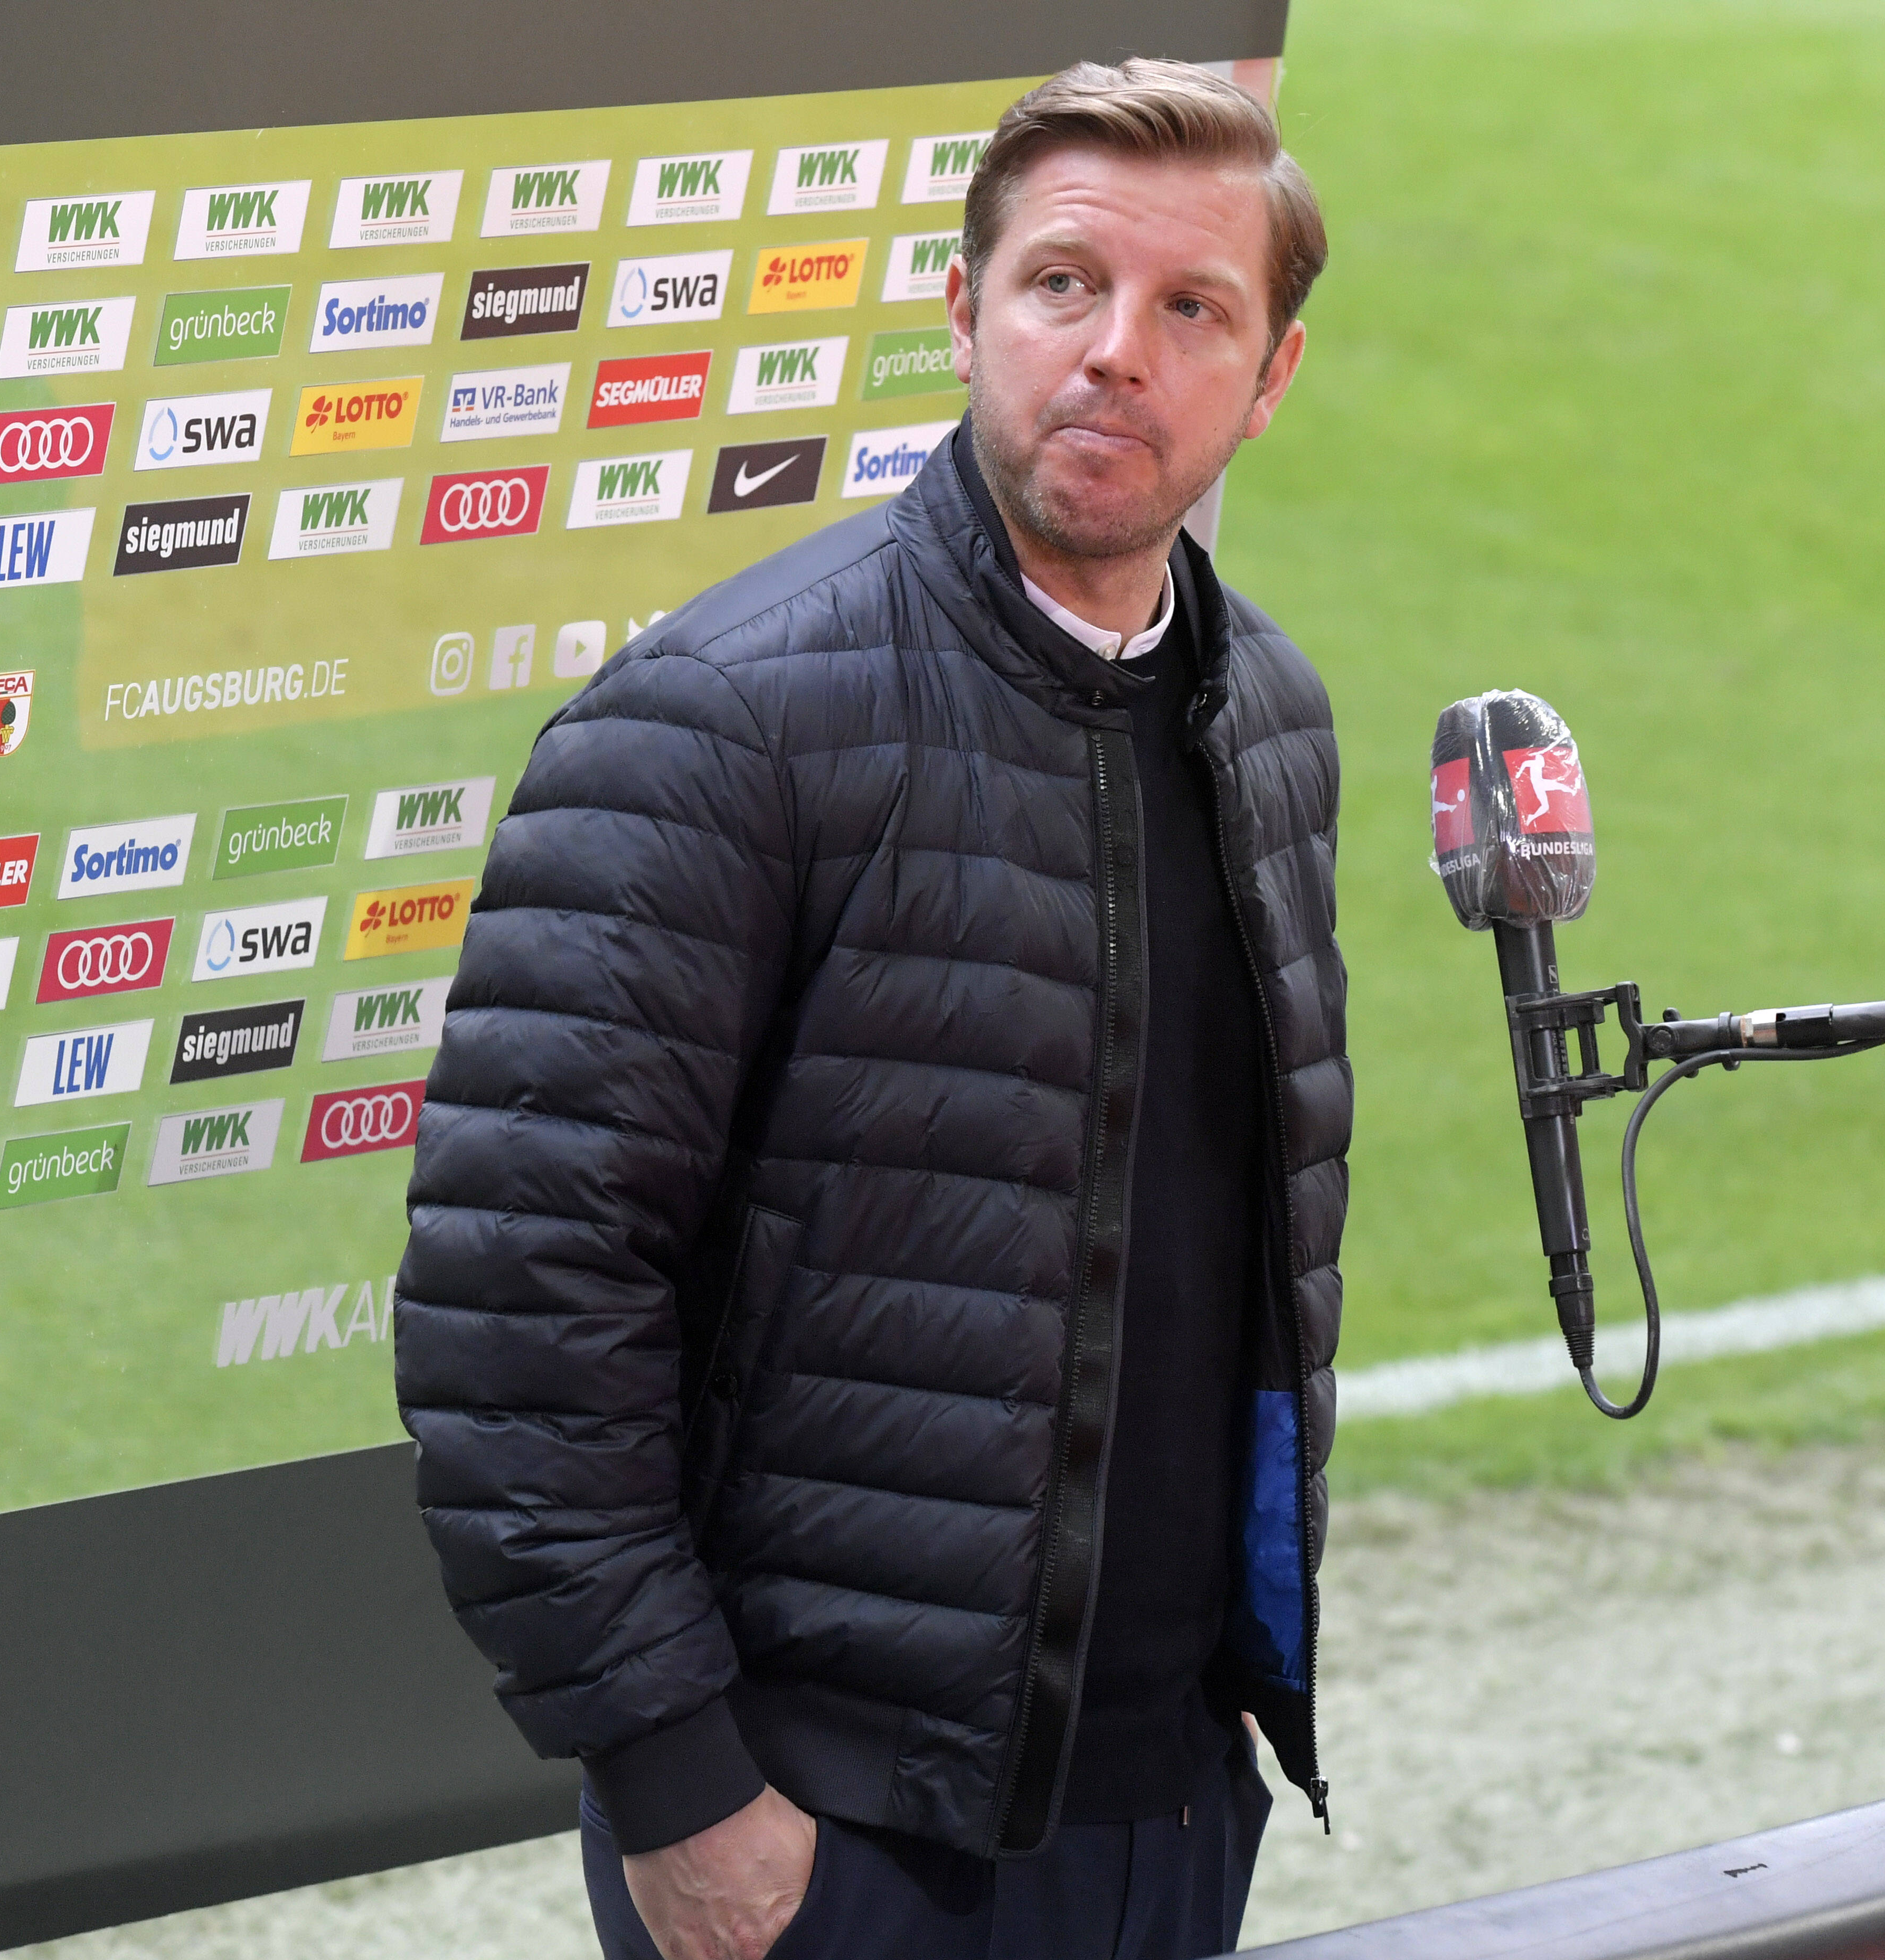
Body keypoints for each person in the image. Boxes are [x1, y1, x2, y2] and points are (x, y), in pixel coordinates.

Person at [395, 56, 1347, 1960]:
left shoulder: (1268, 718)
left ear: (1270, 375)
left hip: (1163, 1791)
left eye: (1191, 311)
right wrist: (678, 1784)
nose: (1114, 357)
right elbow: (521, 1304)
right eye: (1062, 286)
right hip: (825, 1834)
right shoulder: (721, 721)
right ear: (963, 311)